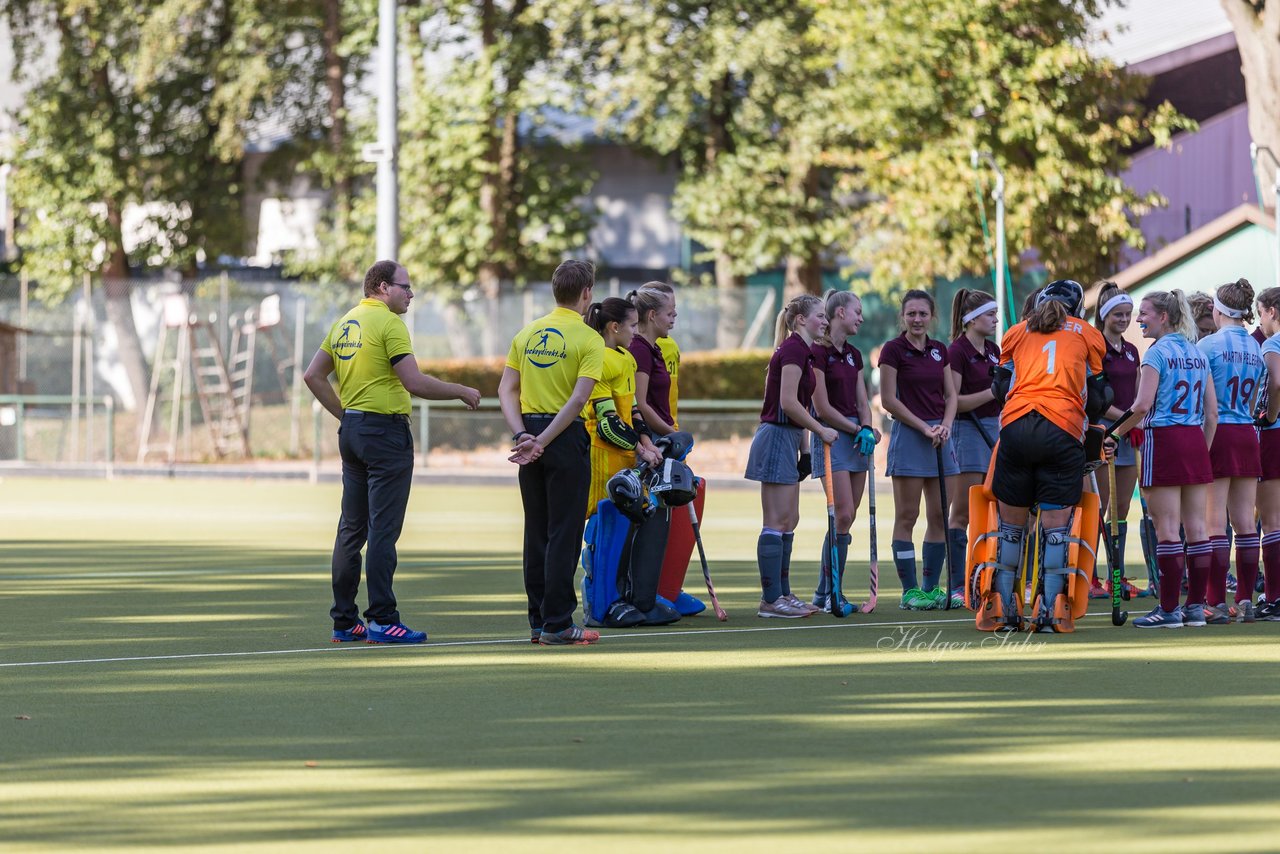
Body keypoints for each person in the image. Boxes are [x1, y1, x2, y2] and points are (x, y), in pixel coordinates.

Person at [304, 260, 481, 644]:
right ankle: (383, 619)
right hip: (385, 434)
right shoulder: (389, 323)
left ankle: (345, 622)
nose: (411, 294)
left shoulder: (345, 322)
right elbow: (414, 381)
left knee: (351, 530)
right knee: (383, 530)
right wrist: (461, 390)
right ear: (383, 287)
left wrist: (346, 415)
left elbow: (312, 375)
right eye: (406, 287)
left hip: (353, 432)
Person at [987, 279, 1108, 631]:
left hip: (1016, 427)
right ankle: (1050, 607)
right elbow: (1101, 396)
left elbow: (999, 387)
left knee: (1011, 527)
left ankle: (1004, 606)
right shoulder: (1087, 333)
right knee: (1055, 530)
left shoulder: (1015, 332)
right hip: (1062, 429)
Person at [499, 259, 606, 646]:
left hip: (529, 436)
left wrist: (522, 435)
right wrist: (543, 440)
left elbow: (506, 389)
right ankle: (559, 623)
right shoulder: (590, 339)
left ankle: (539, 619)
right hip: (563, 438)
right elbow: (579, 399)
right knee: (564, 532)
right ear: (587, 293)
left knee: (538, 531)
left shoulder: (527, 333)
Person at [1113, 290, 1217, 628]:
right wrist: (1201, 447)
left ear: (1164, 317)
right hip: (1194, 440)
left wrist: (1113, 434)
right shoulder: (1197, 352)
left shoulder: (1155, 353)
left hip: (1165, 439)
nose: (1139, 320)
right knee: (1197, 529)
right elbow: (1211, 415)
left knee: (1168, 530)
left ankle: (1169, 610)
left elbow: (1142, 406)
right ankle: (1196, 609)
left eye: (1144, 313)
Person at [745, 295, 838, 618]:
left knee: (789, 520)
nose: (825, 321)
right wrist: (820, 430)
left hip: (790, 439)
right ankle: (771, 600)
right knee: (775, 520)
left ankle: (783, 594)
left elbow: (799, 404)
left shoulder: (806, 352)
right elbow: (787, 402)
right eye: (820, 316)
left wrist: (805, 449)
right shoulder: (794, 349)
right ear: (800, 320)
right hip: (775, 437)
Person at [878, 290, 959, 610]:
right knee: (907, 516)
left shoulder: (940, 350)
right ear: (903, 316)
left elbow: (951, 395)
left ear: (931, 316)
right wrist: (924, 427)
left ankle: (929, 588)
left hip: (941, 437)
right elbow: (888, 401)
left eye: (922, 314)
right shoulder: (892, 350)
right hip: (911, 438)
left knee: (940, 515)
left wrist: (946, 426)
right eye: (911, 313)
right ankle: (910, 591)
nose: (916, 319)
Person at [1198, 279, 1265, 623]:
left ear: (1219, 309)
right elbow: (1255, 402)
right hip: (1246, 431)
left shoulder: (1208, 345)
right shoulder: (1256, 347)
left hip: (1219, 430)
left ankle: (1214, 602)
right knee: (1244, 523)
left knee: (1214, 522)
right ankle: (1245, 599)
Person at [809, 289, 879, 613]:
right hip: (831, 435)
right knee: (844, 514)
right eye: (857, 312)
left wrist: (867, 427)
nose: (861, 318)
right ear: (840, 314)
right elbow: (821, 407)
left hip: (855, 438)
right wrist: (855, 429)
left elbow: (862, 400)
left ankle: (829, 591)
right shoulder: (817, 353)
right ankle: (828, 592)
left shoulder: (855, 354)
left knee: (846, 521)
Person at [1090, 282, 1146, 599]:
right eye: (1118, 314)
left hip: (1127, 433)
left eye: (1128, 314)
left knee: (1121, 510)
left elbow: (1138, 392)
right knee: (1100, 507)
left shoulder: (1131, 350)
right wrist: (1126, 419)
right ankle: (1091, 578)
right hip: (1104, 434)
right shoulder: (1095, 348)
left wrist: (1134, 419)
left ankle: (1117, 575)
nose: (1124, 319)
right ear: (1105, 314)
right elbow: (1096, 399)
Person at [945, 288, 1000, 600]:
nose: (994, 319)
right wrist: (994, 392)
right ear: (971, 319)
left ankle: (982, 579)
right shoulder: (957, 351)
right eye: (989, 314)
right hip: (967, 431)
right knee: (963, 512)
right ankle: (957, 585)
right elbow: (956, 401)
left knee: (992, 509)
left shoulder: (994, 349)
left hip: (995, 430)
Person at [1253, 287, 1280, 619]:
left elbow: (1275, 383)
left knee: (1271, 521)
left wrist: (1271, 415)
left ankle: (1274, 597)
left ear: (1271, 311)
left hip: (1274, 433)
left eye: (1260, 313)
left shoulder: (1272, 343)